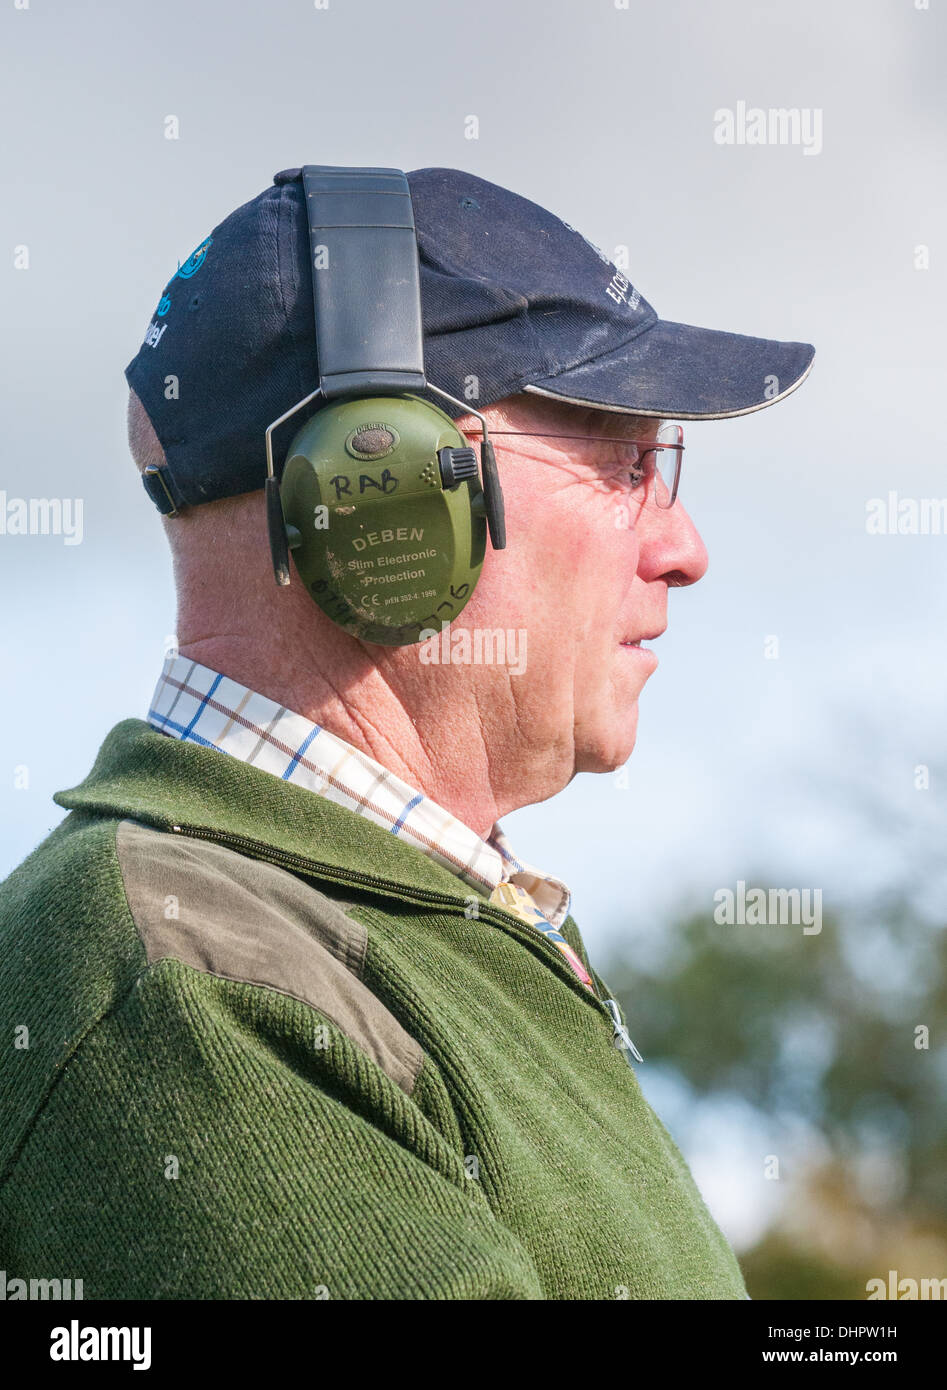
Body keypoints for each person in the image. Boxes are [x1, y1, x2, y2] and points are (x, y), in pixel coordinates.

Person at [0, 166, 814, 1299]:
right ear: (376, 496)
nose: (682, 547)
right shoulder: (189, 975)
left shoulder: (395, 928)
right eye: (624, 462)